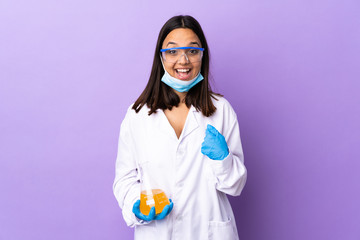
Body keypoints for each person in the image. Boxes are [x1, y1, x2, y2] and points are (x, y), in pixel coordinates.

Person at [113, 15, 247, 240]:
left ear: (202, 56)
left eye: (192, 51)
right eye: (172, 51)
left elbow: (235, 186)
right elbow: (124, 179)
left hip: (208, 232)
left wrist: (223, 159)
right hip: (157, 232)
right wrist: (137, 204)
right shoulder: (138, 115)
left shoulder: (221, 110)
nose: (183, 60)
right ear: (161, 58)